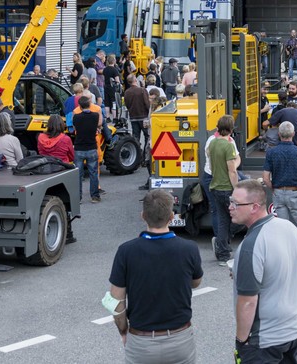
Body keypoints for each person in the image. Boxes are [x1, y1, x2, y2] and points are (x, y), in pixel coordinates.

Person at [108, 190, 203, 364]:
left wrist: (123, 330)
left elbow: (116, 300)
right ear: (172, 216)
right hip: (180, 339)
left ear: (143, 216)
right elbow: (196, 282)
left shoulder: (126, 251)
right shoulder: (189, 248)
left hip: (141, 342)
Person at [230, 179, 297, 362]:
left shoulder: (251, 245)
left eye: (235, 203)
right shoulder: (288, 227)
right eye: (230, 201)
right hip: (296, 330)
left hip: (266, 341)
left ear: (254, 207)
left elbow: (248, 302)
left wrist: (241, 342)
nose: (230, 207)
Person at [263, 120, 297, 275]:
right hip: (295, 192)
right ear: (293, 134)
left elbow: (266, 177)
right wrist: (295, 180)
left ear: (279, 135)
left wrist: (274, 188)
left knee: (281, 229)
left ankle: (282, 264)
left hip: (278, 193)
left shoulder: (271, 153)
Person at [207, 114, 241, 266]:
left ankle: (223, 253)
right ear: (231, 129)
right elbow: (232, 170)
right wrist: (237, 188)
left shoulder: (213, 143)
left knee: (222, 220)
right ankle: (224, 244)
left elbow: (209, 157)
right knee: (239, 218)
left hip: (215, 186)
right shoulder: (228, 145)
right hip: (227, 187)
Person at [73, 94, 102, 202]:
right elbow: (99, 125)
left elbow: (74, 128)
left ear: (79, 106)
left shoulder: (76, 116)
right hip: (91, 146)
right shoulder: (95, 116)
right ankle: (95, 196)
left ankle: (78, 198)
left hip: (79, 147)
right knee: (93, 173)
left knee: (78, 175)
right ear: (90, 105)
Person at [124, 75, 152, 165]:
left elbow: (127, 104)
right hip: (143, 117)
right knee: (147, 136)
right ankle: (145, 158)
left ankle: (137, 158)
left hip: (133, 117)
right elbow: (147, 104)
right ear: (135, 80)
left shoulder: (127, 92)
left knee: (136, 138)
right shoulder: (142, 90)